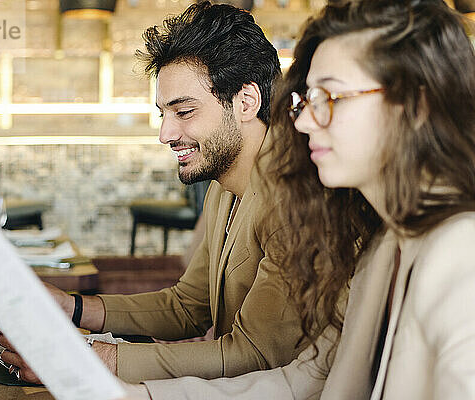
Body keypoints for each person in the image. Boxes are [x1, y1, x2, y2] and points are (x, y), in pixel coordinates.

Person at [128, 0, 475, 398]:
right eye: (308, 99)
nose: (304, 120)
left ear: (416, 105)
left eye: (332, 98)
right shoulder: (383, 246)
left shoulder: (461, 252)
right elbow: (300, 381)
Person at [0, 1, 304, 385]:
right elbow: (188, 307)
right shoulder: (223, 189)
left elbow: (255, 357)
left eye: (185, 112)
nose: (166, 134)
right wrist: (72, 307)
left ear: (246, 101)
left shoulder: (297, 203)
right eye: (164, 113)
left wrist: (91, 359)